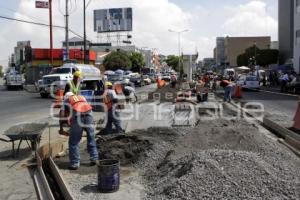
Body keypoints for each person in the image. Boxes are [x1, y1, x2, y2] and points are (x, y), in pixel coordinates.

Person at [62, 92, 98, 170]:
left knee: (73, 141)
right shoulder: (81, 97)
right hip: (89, 114)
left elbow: (63, 115)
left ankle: (75, 163)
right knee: (91, 137)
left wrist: (62, 127)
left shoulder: (66, 101)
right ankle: (94, 158)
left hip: (78, 116)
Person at [59, 70, 82, 135]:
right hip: (68, 99)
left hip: (75, 100)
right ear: (75, 77)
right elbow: (66, 93)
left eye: (79, 78)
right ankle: (61, 129)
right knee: (62, 113)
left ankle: (76, 125)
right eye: (78, 78)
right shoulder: (69, 83)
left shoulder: (78, 84)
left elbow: (78, 93)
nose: (79, 79)